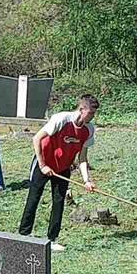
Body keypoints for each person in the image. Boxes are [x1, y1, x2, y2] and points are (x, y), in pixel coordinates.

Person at [18, 94, 99, 252]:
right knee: (34, 199)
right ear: (81, 109)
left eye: (94, 113)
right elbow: (37, 139)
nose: (92, 116)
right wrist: (42, 165)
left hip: (63, 168)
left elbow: (83, 158)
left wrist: (86, 180)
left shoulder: (88, 130)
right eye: (90, 113)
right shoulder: (61, 119)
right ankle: (23, 235)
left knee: (59, 202)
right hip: (44, 164)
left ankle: (52, 239)